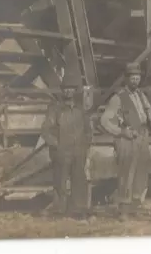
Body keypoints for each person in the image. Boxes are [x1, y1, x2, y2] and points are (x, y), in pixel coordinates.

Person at [100, 63, 151, 221]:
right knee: (126, 174)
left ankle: (135, 207)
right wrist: (121, 132)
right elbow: (104, 121)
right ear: (126, 78)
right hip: (127, 140)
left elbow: (147, 111)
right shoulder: (118, 98)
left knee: (141, 172)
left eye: (138, 77)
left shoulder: (141, 95)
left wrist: (149, 114)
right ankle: (124, 208)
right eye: (133, 77)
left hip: (142, 136)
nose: (136, 80)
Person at [41, 72, 92, 219]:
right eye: (66, 89)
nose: (68, 91)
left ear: (75, 91)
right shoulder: (55, 109)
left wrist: (85, 145)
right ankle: (59, 209)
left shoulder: (80, 110)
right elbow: (46, 130)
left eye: (71, 89)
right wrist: (56, 145)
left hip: (78, 151)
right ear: (62, 91)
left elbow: (88, 130)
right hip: (62, 152)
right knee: (60, 181)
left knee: (78, 179)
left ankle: (78, 209)